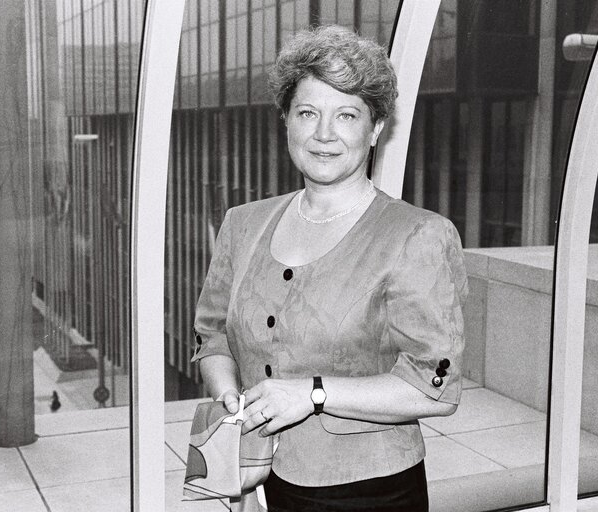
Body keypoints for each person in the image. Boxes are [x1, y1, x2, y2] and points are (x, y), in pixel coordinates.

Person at [192, 25, 468, 512]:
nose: (324, 134)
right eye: (307, 113)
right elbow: (212, 336)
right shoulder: (243, 224)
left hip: (367, 492)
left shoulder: (417, 236)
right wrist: (235, 406)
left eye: (346, 114)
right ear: (286, 121)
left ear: (376, 128)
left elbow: (435, 388)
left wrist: (313, 394)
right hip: (259, 477)